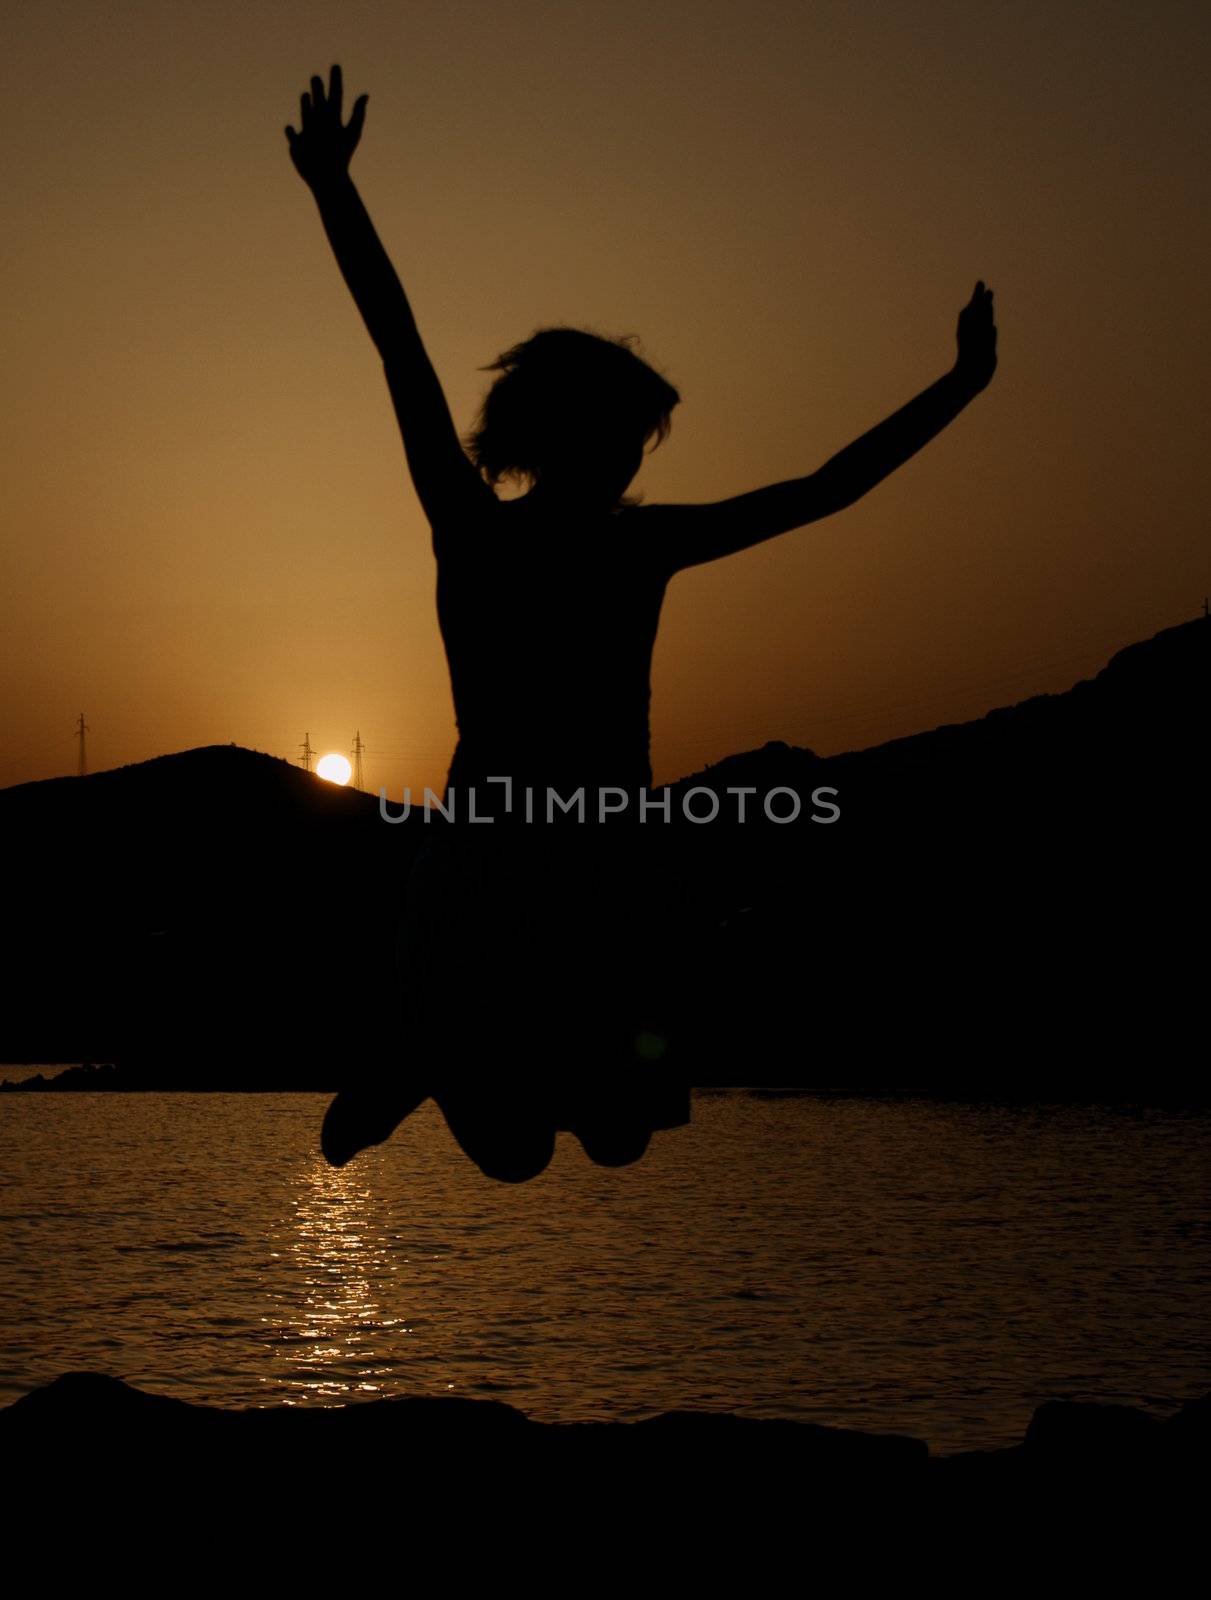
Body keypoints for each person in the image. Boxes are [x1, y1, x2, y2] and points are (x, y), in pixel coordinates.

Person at [285, 66, 997, 1178]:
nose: (634, 459)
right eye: (624, 436)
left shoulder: (609, 542)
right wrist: (334, 193)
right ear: (567, 434)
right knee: (526, 1153)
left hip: (594, 860)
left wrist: (960, 387)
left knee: (617, 1135)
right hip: (507, 859)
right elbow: (402, 350)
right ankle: (426, 1052)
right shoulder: (492, 532)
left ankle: (445, 1048)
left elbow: (824, 490)